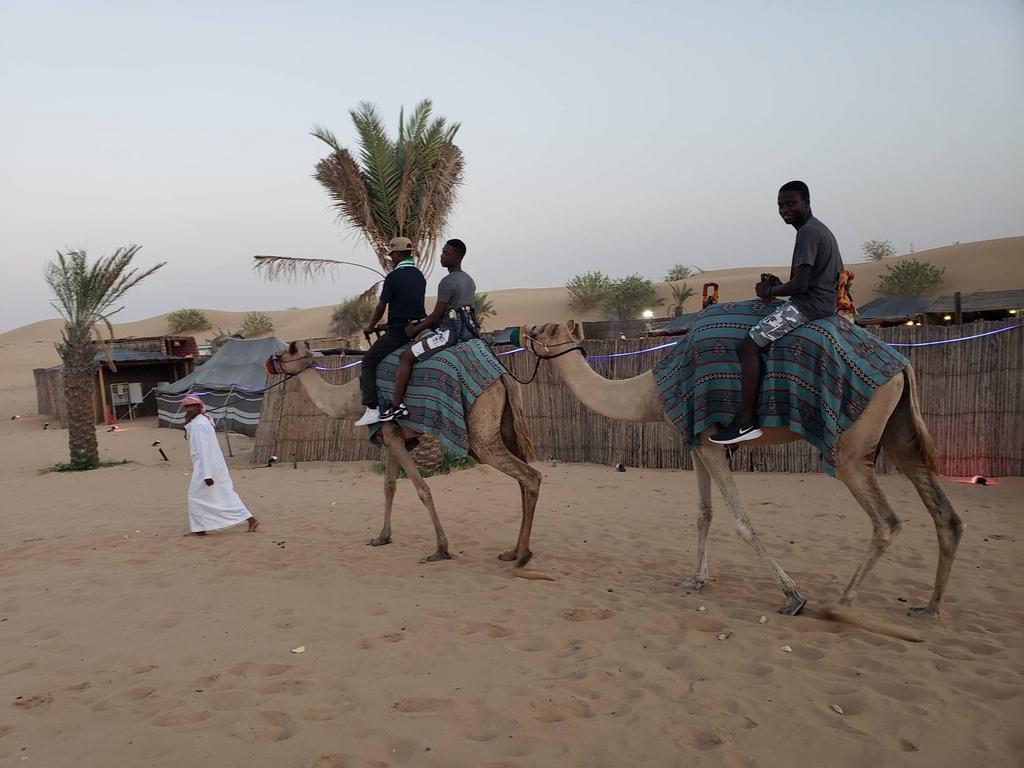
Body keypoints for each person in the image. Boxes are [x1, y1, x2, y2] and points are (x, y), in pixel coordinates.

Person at [711, 180, 844, 445]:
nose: (785, 209)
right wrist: (776, 284)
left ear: (807, 202)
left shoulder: (808, 232)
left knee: (748, 345)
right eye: (781, 205)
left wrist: (769, 292)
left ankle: (745, 422)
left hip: (809, 306)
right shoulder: (817, 230)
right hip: (818, 300)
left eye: (791, 203)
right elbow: (803, 279)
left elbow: (801, 286)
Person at [380, 238, 477, 421]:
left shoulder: (447, 282)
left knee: (405, 357)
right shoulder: (469, 280)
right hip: (470, 331)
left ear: (458, 258)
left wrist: (413, 330)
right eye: (443, 252)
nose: (442, 256)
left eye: (446, 253)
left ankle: (396, 406)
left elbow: (435, 317)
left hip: (450, 333)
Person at [355, 237, 427, 426]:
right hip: (420, 327)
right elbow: (409, 306)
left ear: (396, 254)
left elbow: (381, 308)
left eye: (392, 255)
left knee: (368, 362)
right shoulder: (419, 275)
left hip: (400, 333)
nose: (391, 258)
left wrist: (371, 326)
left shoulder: (393, 277)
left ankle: (372, 408)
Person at [182, 394, 260, 535]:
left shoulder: (200, 424)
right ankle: (200, 529)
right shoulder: (200, 421)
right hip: (211, 466)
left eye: (192, 406)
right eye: (186, 407)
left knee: (197, 496)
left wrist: (207, 474)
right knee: (215, 495)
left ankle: (251, 520)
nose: (189, 409)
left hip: (207, 468)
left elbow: (203, 451)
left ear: (199, 407)